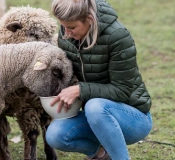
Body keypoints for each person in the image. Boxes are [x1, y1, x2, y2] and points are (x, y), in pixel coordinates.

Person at [45, 0, 153, 159]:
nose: (66, 33)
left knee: (95, 106)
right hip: (95, 117)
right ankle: (101, 155)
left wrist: (80, 90)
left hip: (133, 117)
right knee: (55, 135)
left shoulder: (118, 36)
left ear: (89, 19)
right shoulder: (66, 34)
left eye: (72, 27)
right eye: (63, 27)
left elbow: (122, 90)